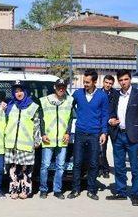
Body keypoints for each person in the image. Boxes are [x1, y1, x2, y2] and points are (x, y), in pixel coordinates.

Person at [107, 70, 138, 206]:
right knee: (119, 165)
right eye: (121, 80)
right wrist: (111, 121)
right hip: (118, 134)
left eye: (126, 79)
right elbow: (111, 112)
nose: (123, 82)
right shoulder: (115, 95)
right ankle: (121, 191)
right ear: (118, 81)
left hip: (133, 136)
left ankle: (135, 193)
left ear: (130, 79)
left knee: (135, 166)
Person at [67, 69, 109, 200]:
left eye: (87, 82)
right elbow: (67, 108)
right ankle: (75, 189)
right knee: (78, 162)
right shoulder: (77, 94)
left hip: (94, 134)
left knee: (93, 163)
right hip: (80, 133)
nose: (84, 84)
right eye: (84, 82)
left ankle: (92, 190)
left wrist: (104, 132)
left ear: (95, 82)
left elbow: (104, 115)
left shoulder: (102, 96)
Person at [4, 81, 41, 199]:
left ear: (25, 92)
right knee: (13, 169)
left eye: (20, 91)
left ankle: (25, 191)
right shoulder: (10, 106)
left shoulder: (33, 106)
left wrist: (37, 140)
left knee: (26, 170)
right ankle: (14, 190)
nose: (18, 94)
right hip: (11, 144)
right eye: (15, 92)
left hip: (26, 144)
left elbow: (36, 125)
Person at [39, 79, 73, 199]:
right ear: (55, 87)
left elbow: (70, 119)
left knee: (60, 166)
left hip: (62, 139)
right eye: (59, 86)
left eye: (63, 87)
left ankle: (57, 190)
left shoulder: (69, 100)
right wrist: (43, 134)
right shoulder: (44, 101)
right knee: (45, 165)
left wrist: (68, 133)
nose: (61, 89)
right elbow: (41, 120)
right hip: (48, 139)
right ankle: (43, 189)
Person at [99, 74, 115, 178]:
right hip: (101, 125)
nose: (108, 85)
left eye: (110, 83)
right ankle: (104, 169)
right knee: (101, 149)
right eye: (106, 83)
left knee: (117, 149)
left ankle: (117, 169)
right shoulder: (98, 94)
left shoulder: (116, 94)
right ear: (103, 82)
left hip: (113, 126)